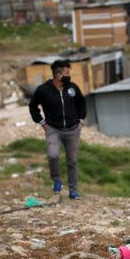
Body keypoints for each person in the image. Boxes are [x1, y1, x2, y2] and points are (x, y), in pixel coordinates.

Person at [28, 59, 86, 199]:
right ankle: (57, 180)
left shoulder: (73, 88)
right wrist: (42, 122)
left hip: (73, 129)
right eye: (67, 73)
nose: (69, 75)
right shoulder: (43, 90)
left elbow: (82, 104)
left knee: (72, 161)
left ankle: (73, 190)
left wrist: (81, 121)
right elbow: (33, 106)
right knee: (53, 155)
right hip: (53, 129)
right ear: (58, 75)